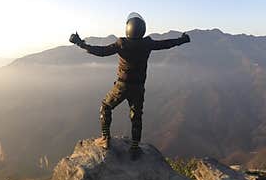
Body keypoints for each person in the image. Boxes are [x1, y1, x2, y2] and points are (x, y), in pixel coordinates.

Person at [69, 12, 190, 159]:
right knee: (136, 116)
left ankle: (106, 139)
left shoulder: (122, 44)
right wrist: (182, 40)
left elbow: (101, 52)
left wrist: (80, 43)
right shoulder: (147, 43)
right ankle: (134, 147)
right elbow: (166, 44)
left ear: (128, 29)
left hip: (122, 86)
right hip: (138, 87)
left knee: (105, 107)